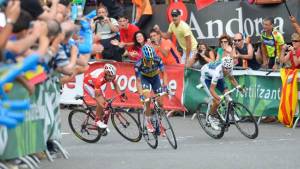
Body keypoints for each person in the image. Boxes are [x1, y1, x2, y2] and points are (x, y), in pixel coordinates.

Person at [200, 57, 243, 130]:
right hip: (206, 79)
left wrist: (239, 87)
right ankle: (211, 118)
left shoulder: (229, 67)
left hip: (219, 78)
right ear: (222, 66)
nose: (227, 70)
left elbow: (231, 79)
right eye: (225, 68)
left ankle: (230, 113)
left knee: (227, 94)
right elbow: (212, 89)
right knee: (217, 101)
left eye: (229, 68)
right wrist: (218, 98)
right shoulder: (217, 72)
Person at [135, 45, 168, 135]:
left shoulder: (157, 59)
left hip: (155, 78)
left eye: (152, 59)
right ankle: (148, 121)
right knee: (147, 99)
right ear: (144, 58)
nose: (151, 61)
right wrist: (141, 94)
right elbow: (138, 81)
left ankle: (158, 123)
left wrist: (165, 86)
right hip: (144, 79)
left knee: (161, 103)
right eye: (149, 60)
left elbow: (164, 73)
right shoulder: (138, 64)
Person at [83, 63, 126, 129]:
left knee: (104, 103)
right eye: (109, 76)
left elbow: (115, 85)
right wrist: (103, 104)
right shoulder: (99, 79)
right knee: (101, 102)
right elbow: (97, 96)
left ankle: (100, 118)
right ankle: (97, 121)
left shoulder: (111, 75)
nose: (111, 78)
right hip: (88, 85)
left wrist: (120, 95)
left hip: (97, 85)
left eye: (112, 76)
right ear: (105, 74)